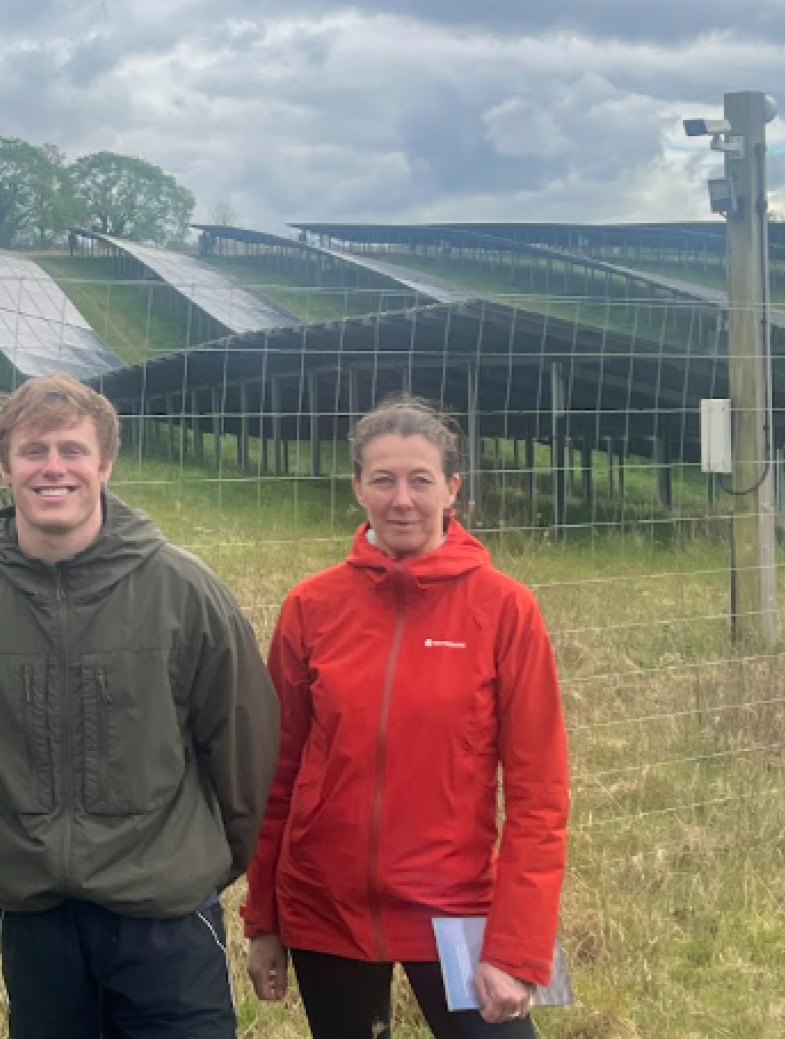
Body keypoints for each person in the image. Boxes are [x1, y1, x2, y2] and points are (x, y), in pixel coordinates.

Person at [0, 373, 279, 1039]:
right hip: (38, 922)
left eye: (71, 449)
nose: (52, 467)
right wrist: (18, 846)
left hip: (166, 920)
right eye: (33, 451)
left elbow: (242, 751)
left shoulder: (185, 592)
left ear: (105, 463)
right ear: (5, 465)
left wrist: (193, 863)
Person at [243, 395, 570, 1038]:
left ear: (452, 488)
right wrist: (265, 921)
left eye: (421, 480)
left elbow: (539, 796)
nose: (402, 500)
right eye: (382, 480)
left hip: (458, 910)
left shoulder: (506, 609)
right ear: (356, 487)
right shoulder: (311, 607)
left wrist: (518, 948)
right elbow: (276, 775)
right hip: (325, 906)